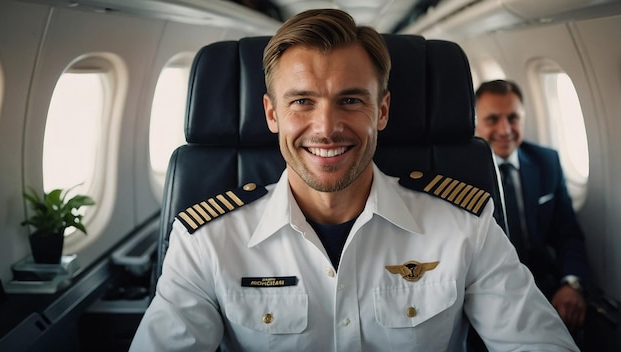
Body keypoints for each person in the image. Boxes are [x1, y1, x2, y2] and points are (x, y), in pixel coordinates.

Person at [130, 10, 578, 351]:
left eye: (349, 100)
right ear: (271, 114)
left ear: (381, 111)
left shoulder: (464, 226)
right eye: (302, 101)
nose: (326, 127)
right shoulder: (206, 240)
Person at [474, 79, 588, 336]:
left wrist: (571, 283)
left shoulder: (547, 161)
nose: (505, 130)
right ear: (475, 122)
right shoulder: (458, 174)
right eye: (493, 119)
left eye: (513, 118)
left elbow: (568, 233)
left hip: (544, 286)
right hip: (484, 294)